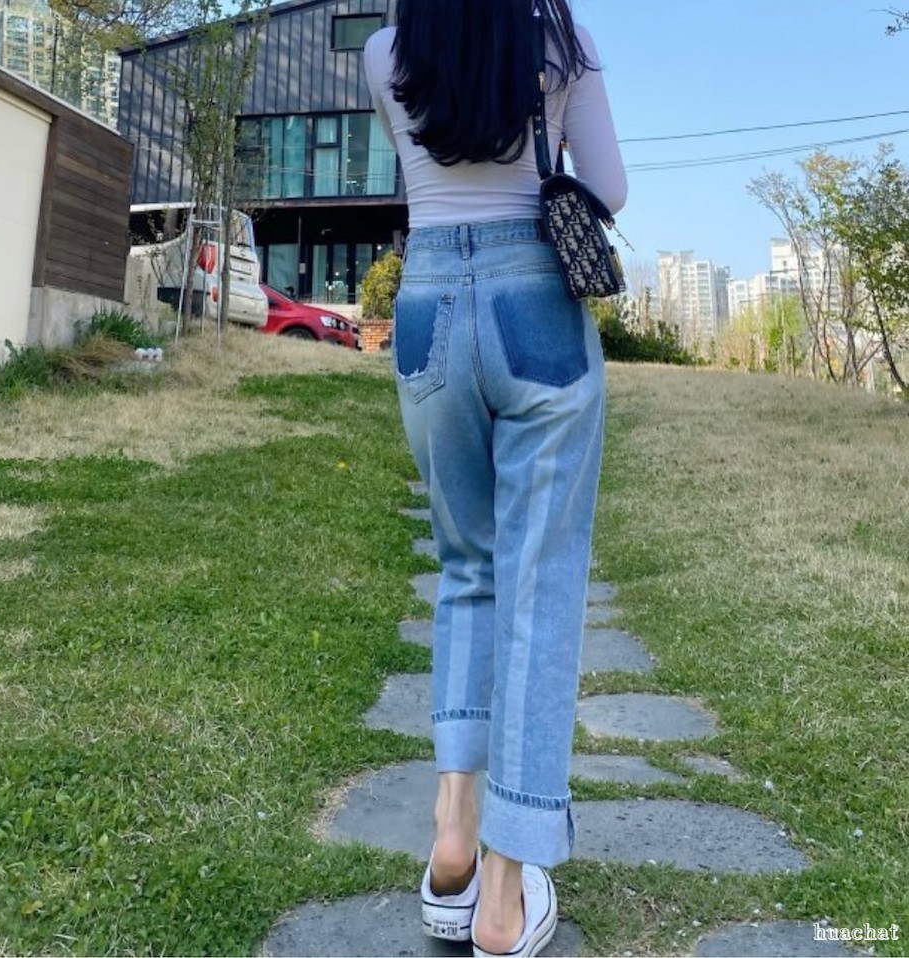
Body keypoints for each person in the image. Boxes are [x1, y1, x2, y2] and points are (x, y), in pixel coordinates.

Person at [364, 1, 627, 955]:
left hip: (429, 303)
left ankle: (451, 835)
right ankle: (505, 895)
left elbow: (422, 177)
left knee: (466, 568)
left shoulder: (386, 51)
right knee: (539, 584)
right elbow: (610, 188)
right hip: (536, 301)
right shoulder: (563, 42)